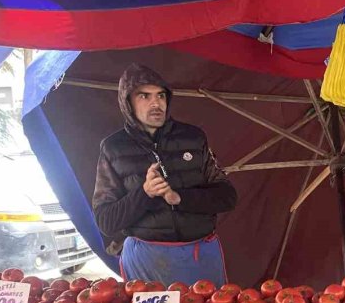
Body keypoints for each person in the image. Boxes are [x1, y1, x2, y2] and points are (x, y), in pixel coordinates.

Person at [92, 63, 237, 287]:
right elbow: (106, 221)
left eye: (160, 95)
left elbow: (227, 197)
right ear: (127, 102)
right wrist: (145, 193)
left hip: (200, 256)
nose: (155, 103)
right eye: (144, 96)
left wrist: (179, 198)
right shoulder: (113, 148)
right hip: (147, 261)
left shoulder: (193, 137)